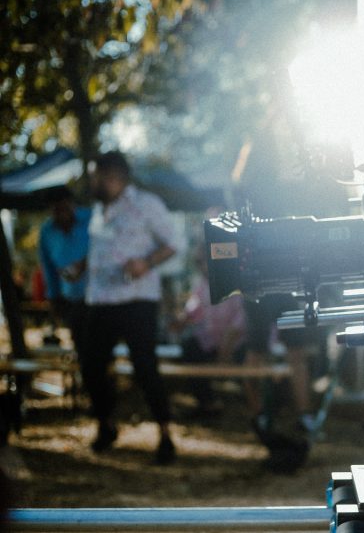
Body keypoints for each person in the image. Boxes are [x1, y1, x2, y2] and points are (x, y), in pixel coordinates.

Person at [83, 150, 182, 464]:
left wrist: (146, 263)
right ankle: (106, 426)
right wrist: (80, 266)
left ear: (113, 176)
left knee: (145, 367)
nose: (91, 181)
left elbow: (174, 243)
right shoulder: (99, 209)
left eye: (95, 176)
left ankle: (165, 435)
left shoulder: (146, 204)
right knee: (91, 365)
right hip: (100, 300)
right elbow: (102, 252)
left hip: (137, 300)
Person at [172, 243, 247, 416]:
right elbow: (193, 309)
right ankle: (207, 403)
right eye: (198, 261)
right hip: (214, 340)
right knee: (190, 347)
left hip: (239, 342)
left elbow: (240, 323)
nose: (200, 265)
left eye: (204, 260)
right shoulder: (203, 283)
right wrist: (181, 320)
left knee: (250, 356)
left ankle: (252, 404)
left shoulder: (236, 281)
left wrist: (226, 349)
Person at [37, 186, 91, 357]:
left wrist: (85, 264)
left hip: (101, 297)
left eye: (64, 208)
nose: (61, 214)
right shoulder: (47, 231)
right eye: (56, 210)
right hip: (71, 299)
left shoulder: (93, 219)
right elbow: (48, 269)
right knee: (81, 348)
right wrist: (53, 298)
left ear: (72, 204)